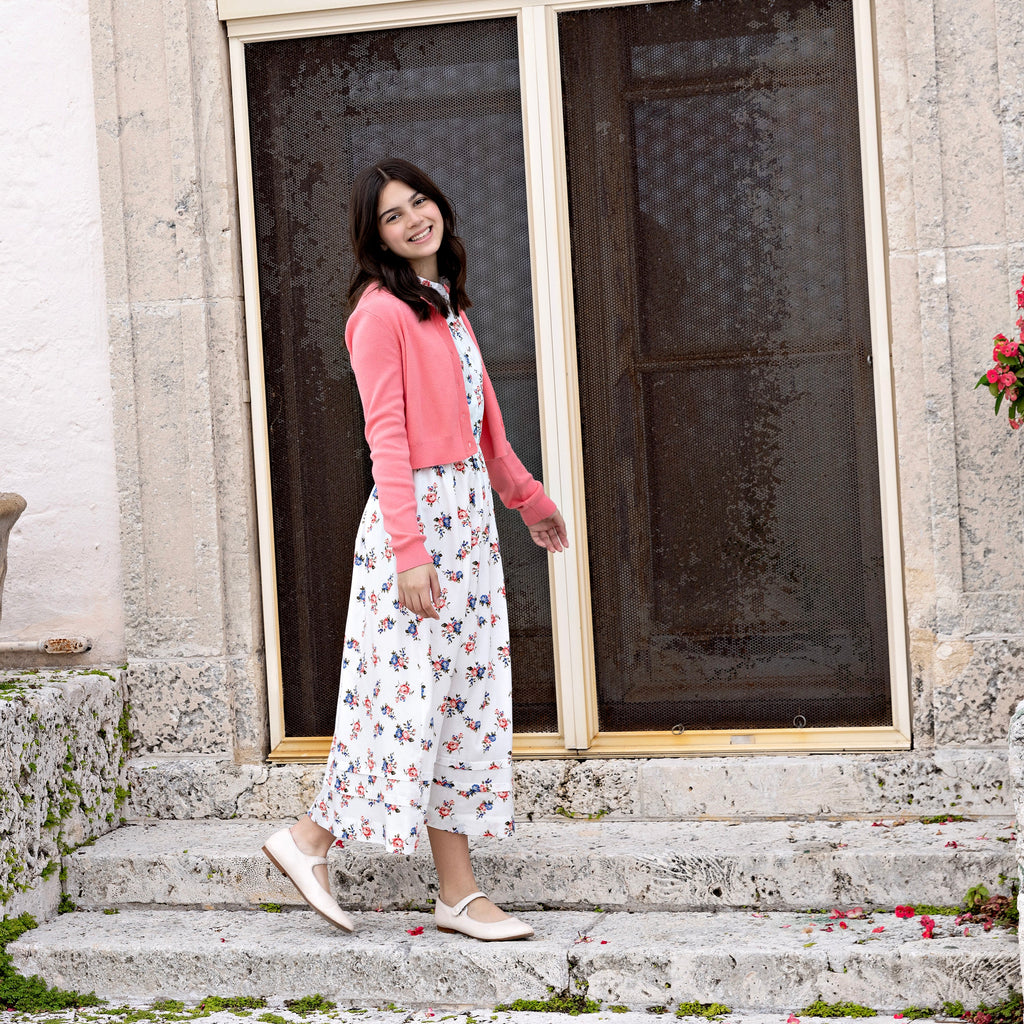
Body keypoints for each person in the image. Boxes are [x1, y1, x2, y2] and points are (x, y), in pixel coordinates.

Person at [261, 158, 569, 942]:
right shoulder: (379, 314)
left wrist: (529, 502)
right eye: (394, 216)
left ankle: (457, 893)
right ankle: (309, 838)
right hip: (419, 529)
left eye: (419, 202)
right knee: (404, 703)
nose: (413, 220)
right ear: (378, 237)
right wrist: (409, 550)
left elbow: (486, 429)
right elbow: (386, 440)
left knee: (460, 705)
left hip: (468, 526)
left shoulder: (445, 308)